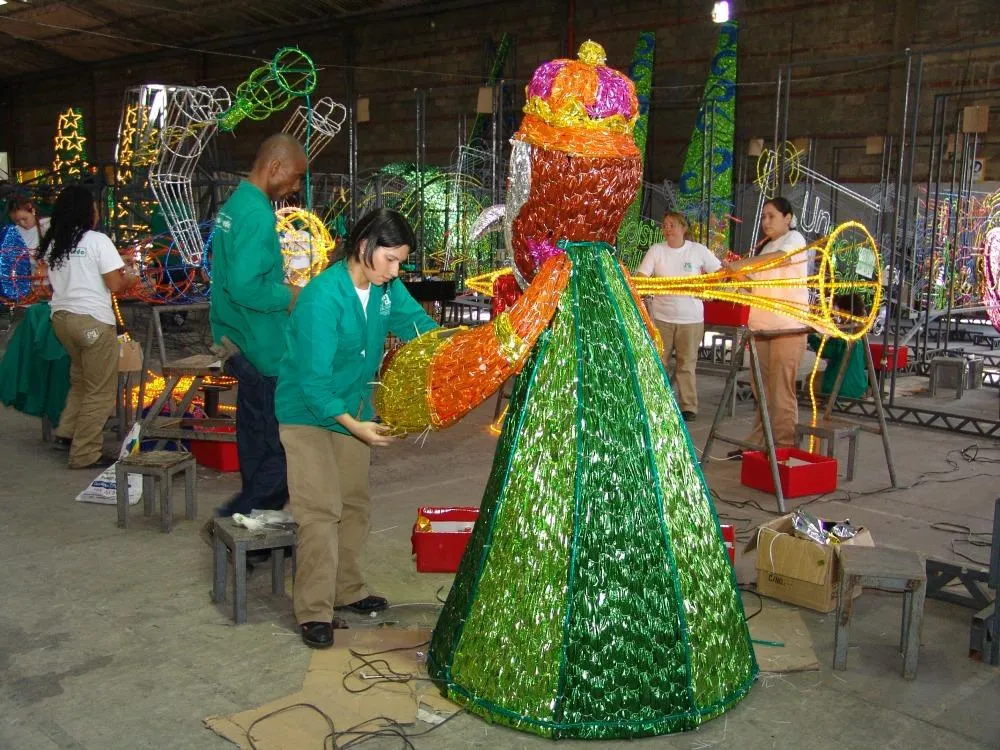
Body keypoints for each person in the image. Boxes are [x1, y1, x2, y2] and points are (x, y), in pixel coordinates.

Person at [275, 208, 439, 649]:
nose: (396, 270)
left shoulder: (385, 290)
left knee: (354, 504)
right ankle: (314, 609)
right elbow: (314, 384)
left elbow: (416, 325)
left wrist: (447, 350)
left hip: (352, 410)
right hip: (309, 415)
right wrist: (358, 428)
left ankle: (346, 591)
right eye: (390, 259)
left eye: (401, 262)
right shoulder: (322, 299)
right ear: (364, 247)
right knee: (320, 510)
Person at [209, 133, 307, 517]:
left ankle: (252, 530)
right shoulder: (256, 214)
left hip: (236, 337)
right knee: (287, 447)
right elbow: (246, 286)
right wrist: (291, 295)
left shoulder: (235, 206)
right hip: (260, 345)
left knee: (254, 441)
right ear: (275, 167)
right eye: (296, 177)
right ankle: (238, 515)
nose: (296, 187)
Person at [38, 185, 137, 469]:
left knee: (81, 380)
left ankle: (67, 433)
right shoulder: (96, 240)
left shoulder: (56, 241)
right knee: (101, 391)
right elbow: (116, 284)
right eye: (93, 207)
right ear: (87, 212)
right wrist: (131, 276)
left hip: (62, 320)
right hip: (92, 322)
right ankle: (84, 453)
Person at [726, 196, 808, 454]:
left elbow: (780, 260)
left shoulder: (795, 240)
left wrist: (741, 264)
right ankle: (758, 445)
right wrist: (731, 272)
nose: (765, 222)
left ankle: (783, 448)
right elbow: (753, 285)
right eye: (763, 217)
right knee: (761, 392)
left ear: (787, 218)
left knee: (781, 393)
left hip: (787, 327)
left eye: (771, 216)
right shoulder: (765, 248)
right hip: (761, 328)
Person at [636, 211, 721, 421]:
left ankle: (688, 407)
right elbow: (641, 276)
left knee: (687, 364)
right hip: (662, 317)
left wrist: (709, 290)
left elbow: (719, 272)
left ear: (684, 228)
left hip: (691, 319)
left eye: (672, 225)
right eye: (664, 225)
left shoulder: (697, 251)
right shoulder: (657, 250)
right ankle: (656, 402)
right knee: (659, 361)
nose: (667, 229)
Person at [808, 294, 868, 401]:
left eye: (840, 310)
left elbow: (826, 352)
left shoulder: (844, 331)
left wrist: (812, 338)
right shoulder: (862, 332)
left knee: (810, 380)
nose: (839, 314)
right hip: (859, 386)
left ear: (847, 310)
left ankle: (824, 406)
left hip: (841, 388)